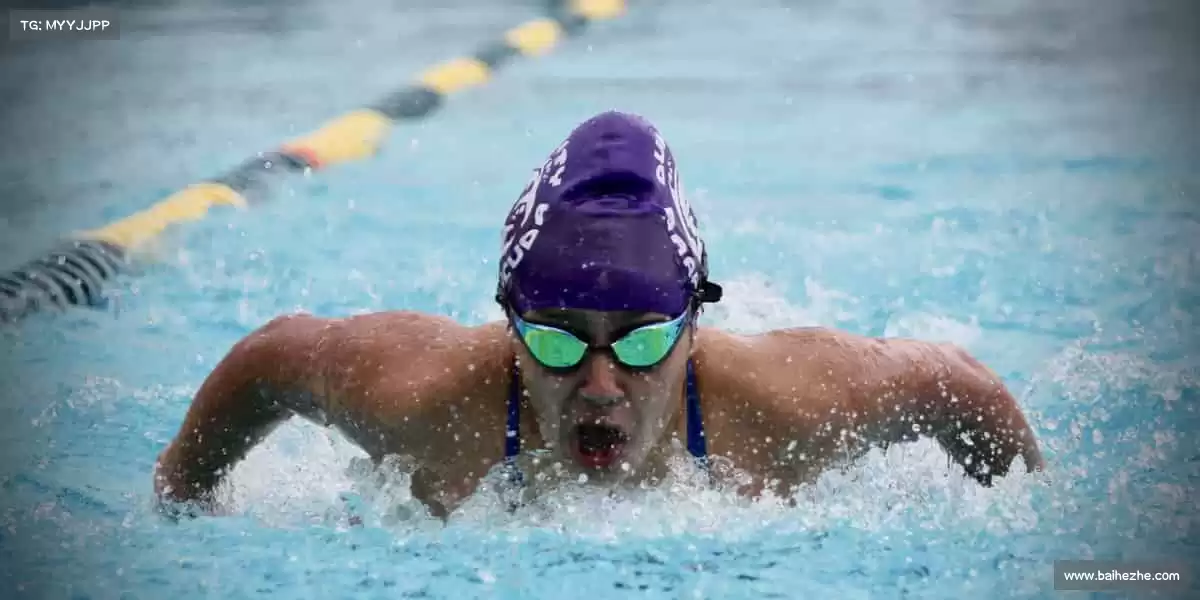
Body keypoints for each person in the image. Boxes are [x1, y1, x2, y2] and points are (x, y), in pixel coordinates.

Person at [153, 111, 1044, 518]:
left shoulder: (789, 405)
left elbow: (953, 382)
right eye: (556, 340)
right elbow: (272, 358)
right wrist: (182, 502)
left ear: (692, 327)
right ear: (510, 326)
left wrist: (1033, 516)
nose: (600, 384)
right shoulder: (424, 401)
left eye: (643, 342)